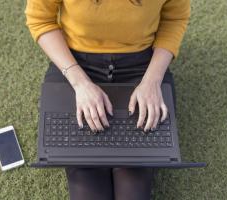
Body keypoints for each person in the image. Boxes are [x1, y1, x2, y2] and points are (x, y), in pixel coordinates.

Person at [25, 0, 190, 199]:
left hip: (143, 66)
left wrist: (152, 81)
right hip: (74, 64)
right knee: (87, 179)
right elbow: (40, 20)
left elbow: (174, 19)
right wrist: (80, 84)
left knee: (134, 185)